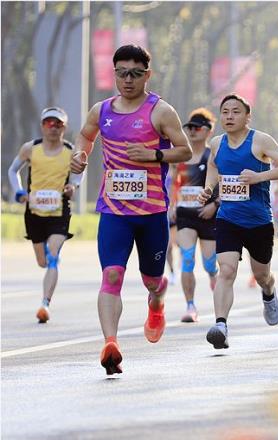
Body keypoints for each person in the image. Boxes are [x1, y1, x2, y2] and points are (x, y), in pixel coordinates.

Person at [70, 45, 192, 374]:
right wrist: (79, 156)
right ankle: (110, 343)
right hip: (114, 212)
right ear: (114, 74)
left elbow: (185, 151)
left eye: (135, 74)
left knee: (152, 280)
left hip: (151, 213)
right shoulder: (101, 110)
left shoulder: (161, 111)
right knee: (112, 275)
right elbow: (85, 137)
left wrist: (154, 156)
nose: (127, 80)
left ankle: (157, 299)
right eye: (122, 73)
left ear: (147, 75)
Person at [198, 94, 278, 349]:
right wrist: (208, 188)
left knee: (262, 275)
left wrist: (258, 177)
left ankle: (269, 293)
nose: (229, 116)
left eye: (236, 111)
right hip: (228, 219)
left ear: (247, 116)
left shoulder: (261, 140)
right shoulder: (217, 143)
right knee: (226, 270)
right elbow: (213, 166)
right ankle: (221, 326)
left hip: (258, 221)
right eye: (225, 112)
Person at [8, 107, 79, 323]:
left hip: (59, 211)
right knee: (42, 261)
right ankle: (48, 257)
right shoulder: (30, 148)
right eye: (49, 123)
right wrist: (19, 192)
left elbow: (80, 172)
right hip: (34, 212)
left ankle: (45, 304)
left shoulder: (70, 151)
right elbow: (13, 170)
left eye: (58, 124)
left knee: (53, 256)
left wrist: (73, 185)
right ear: (42, 126)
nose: (53, 128)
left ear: (64, 127)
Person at [170, 108, 219, 322]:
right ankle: (190, 306)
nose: (191, 131)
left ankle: (215, 279)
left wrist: (215, 205)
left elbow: (226, 183)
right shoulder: (181, 155)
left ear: (208, 130)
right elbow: (173, 182)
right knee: (187, 258)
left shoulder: (213, 156)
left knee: (209, 264)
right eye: (189, 127)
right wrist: (171, 204)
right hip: (185, 216)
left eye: (197, 128)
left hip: (208, 215)